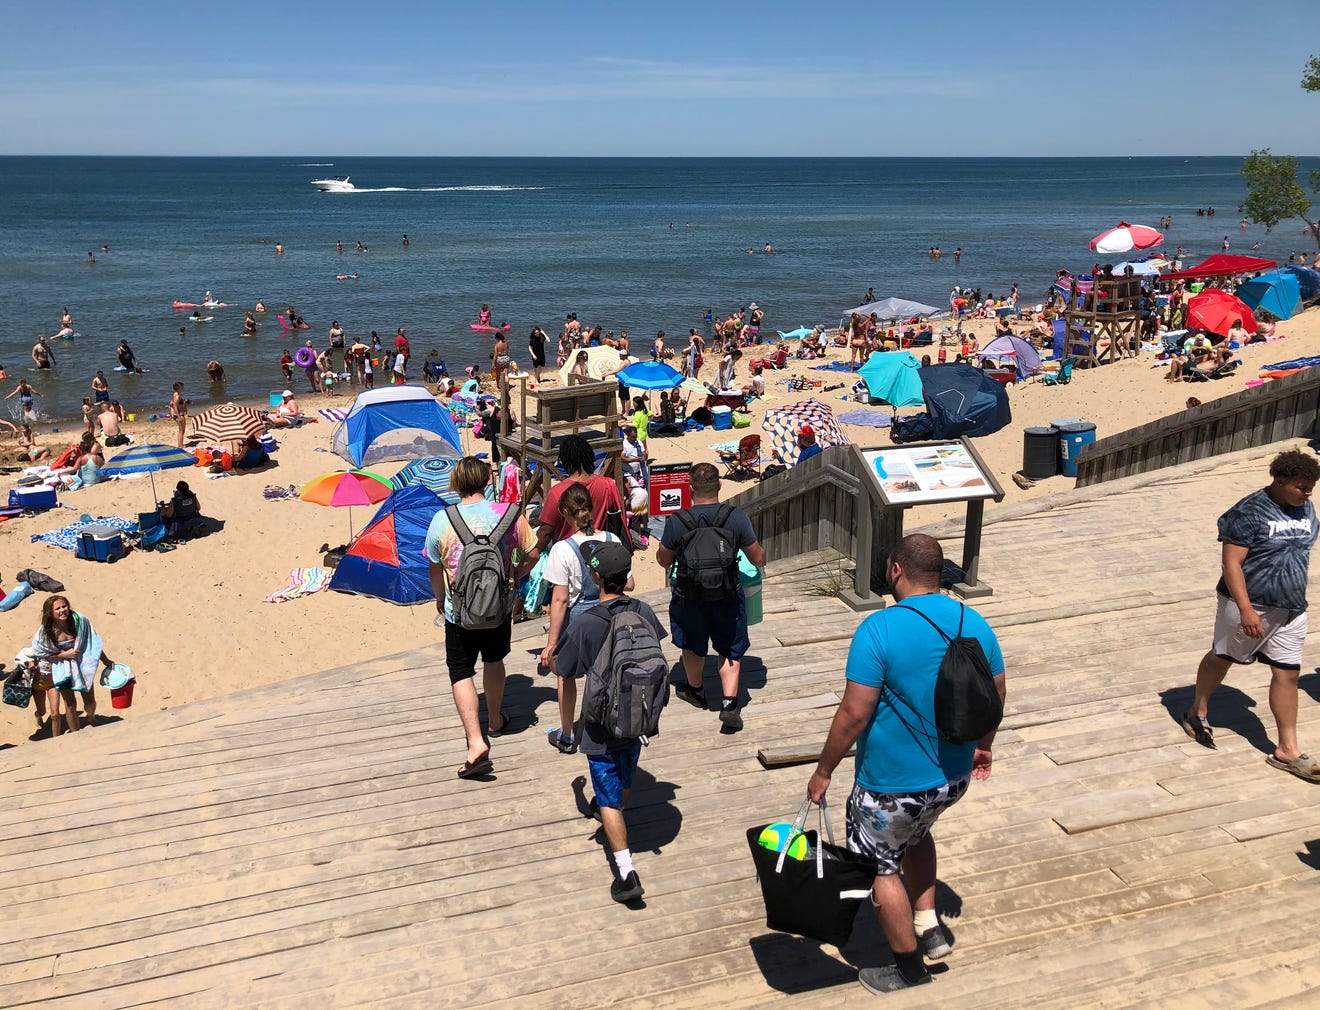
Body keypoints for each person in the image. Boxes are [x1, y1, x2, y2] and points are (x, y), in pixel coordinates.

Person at [806, 533, 1005, 994]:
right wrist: (983, 746)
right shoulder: (972, 620)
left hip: (891, 787)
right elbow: (997, 694)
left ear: (895, 569)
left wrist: (823, 771)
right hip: (952, 778)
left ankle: (907, 968)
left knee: (881, 865)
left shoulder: (878, 629)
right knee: (917, 833)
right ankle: (929, 925)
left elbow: (854, 714)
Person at [1181, 450, 1320, 780]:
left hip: (1290, 608)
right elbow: (1231, 564)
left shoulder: (1307, 507)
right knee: (1223, 656)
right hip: (1249, 605)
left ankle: (1288, 750)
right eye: (1302, 487)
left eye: (1312, 487)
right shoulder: (1248, 512)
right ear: (1280, 480)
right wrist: (1245, 610)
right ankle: (1196, 710)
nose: (1309, 493)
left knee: (1287, 674)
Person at [553, 540, 665, 903]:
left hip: (601, 723)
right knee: (624, 776)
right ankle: (613, 810)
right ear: (626, 577)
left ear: (596, 576)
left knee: (608, 800)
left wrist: (550, 659)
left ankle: (625, 870)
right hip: (638, 715)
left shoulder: (585, 622)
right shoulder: (644, 610)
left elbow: (565, 669)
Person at [425, 457, 540, 780]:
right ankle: (495, 720)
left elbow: (435, 568)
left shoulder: (442, 520)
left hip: (459, 612)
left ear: (456, 484)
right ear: (486, 482)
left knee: (461, 670)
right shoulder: (508, 515)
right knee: (494, 660)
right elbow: (533, 553)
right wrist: (515, 575)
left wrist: (439, 598)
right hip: (498, 607)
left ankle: (476, 741)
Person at [656, 462, 766, 732]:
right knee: (729, 645)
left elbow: (663, 559)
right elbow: (758, 557)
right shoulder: (735, 517)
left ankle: (696, 691)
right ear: (719, 485)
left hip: (689, 594)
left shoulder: (677, 521)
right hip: (727, 593)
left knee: (692, 645)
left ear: (690, 488)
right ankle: (729, 702)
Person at [539, 482, 634, 754]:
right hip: (613, 614)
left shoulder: (562, 549)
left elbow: (560, 600)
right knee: (608, 671)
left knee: (566, 675)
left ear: (565, 513)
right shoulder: (612, 541)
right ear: (591, 510)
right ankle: (611, 723)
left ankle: (567, 734)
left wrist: (551, 643)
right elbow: (629, 584)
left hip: (580, 618)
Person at [32, 595, 116, 733]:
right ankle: (75, 735)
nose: (62, 610)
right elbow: (42, 654)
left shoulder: (79, 621)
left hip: (82, 665)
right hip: (61, 668)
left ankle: (91, 716)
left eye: (64, 606)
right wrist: (62, 655)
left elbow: (91, 644)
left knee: (90, 702)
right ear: (50, 612)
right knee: (70, 704)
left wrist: (106, 661)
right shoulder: (45, 632)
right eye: (57, 608)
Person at [533, 435, 626, 554]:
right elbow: (616, 518)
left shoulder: (557, 492)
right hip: (600, 552)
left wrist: (532, 554)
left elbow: (546, 532)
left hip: (567, 553)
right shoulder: (608, 485)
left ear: (565, 460)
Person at [169, 382, 188, 449]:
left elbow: (171, 404)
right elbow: (175, 406)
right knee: (181, 430)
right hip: (179, 415)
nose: (183, 388)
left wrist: (171, 414)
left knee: (181, 430)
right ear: (179, 388)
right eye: (182, 387)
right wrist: (179, 416)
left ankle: (181, 444)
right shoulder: (177, 396)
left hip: (176, 415)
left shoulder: (175, 395)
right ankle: (180, 445)